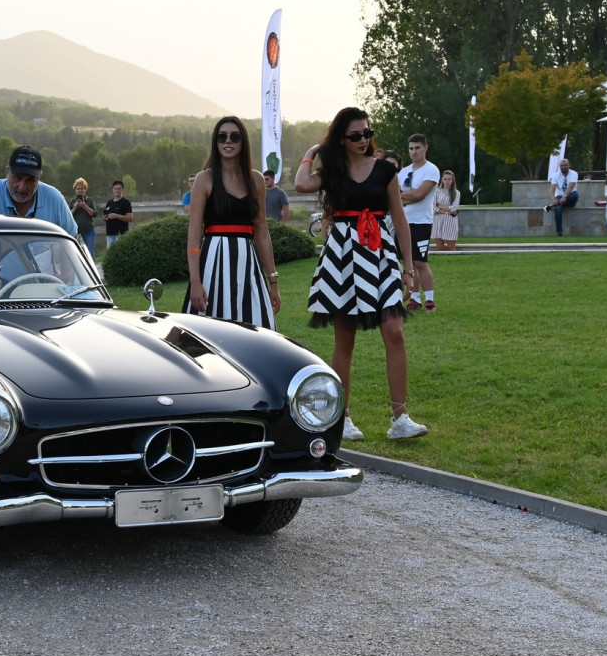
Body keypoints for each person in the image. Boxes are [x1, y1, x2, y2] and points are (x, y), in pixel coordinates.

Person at [295, 107, 427, 442]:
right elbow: (301, 184)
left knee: (395, 330)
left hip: (380, 253)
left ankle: (401, 417)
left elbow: (400, 220)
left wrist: (408, 268)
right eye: (355, 135)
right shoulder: (333, 172)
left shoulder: (385, 171)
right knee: (346, 337)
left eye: (367, 133)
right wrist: (312, 153)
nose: (363, 139)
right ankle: (344, 417)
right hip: (342, 256)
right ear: (342, 138)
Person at [183, 115, 280, 326]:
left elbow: (262, 231)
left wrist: (273, 282)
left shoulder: (256, 180)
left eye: (235, 137)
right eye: (222, 137)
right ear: (215, 142)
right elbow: (193, 237)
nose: (228, 141)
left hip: (248, 263)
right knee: (209, 335)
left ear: (243, 142)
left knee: (259, 328)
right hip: (212, 262)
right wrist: (195, 282)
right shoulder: (204, 179)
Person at [0, 146, 78, 236]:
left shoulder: (54, 199)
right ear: (7, 172)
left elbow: (73, 238)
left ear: (39, 177)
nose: (22, 187)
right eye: (17, 177)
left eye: (30, 180)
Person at [399, 134, 440, 310]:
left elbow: (419, 195)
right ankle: (414, 298)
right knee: (409, 262)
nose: (414, 152)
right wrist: (406, 197)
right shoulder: (403, 172)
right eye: (411, 148)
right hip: (402, 221)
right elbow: (396, 196)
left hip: (421, 222)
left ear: (425, 148)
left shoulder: (431, 170)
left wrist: (404, 197)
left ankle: (429, 299)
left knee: (420, 262)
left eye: (417, 148)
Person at [546, 158, 579, 235]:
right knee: (558, 209)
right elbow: (552, 189)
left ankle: (551, 205)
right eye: (561, 165)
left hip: (570, 197)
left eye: (565, 165)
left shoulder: (574, 173)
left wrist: (564, 197)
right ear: (559, 166)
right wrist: (553, 199)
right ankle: (559, 232)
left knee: (575, 194)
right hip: (559, 197)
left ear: (569, 165)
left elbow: (570, 187)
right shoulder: (555, 175)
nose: (563, 167)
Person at [431, 170, 461, 252]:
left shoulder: (456, 193)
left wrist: (439, 205)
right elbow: (433, 207)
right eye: (445, 179)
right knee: (440, 248)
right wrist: (446, 212)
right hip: (438, 221)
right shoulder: (436, 191)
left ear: (452, 180)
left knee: (451, 247)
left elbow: (454, 208)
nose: (447, 181)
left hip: (451, 221)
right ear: (442, 180)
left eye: (449, 179)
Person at [103, 180, 133, 249]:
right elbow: (104, 217)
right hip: (110, 234)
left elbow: (130, 218)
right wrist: (105, 218)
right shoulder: (109, 202)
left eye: (119, 189)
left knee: (121, 253)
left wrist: (116, 216)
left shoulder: (126, 202)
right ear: (112, 190)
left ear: (122, 190)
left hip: (121, 234)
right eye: (115, 189)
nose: (117, 190)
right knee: (110, 255)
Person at [70, 178, 96, 254]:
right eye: (78, 189)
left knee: (90, 253)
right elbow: (68, 216)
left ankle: (91, 266)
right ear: (75, 190)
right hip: (76, 232)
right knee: (78, 253)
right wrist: (75, 207)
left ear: (85, 189)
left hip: (89, 231)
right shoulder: (72, 201)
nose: (80, 190)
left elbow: (94, 214)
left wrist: (84, 206)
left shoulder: (90, 200)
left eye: (82, 189)